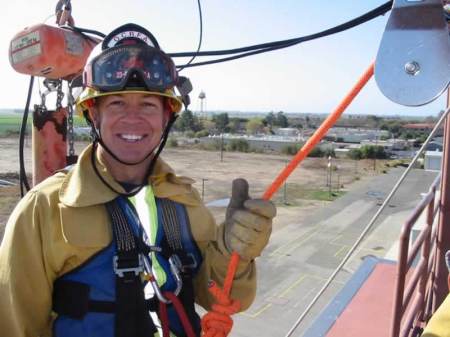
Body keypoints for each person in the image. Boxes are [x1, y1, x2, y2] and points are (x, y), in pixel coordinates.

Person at [0, 23, 276, 337]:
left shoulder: (183, 202)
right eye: (117, 103)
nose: (133, 118)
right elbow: (15, 326)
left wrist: (233, 253)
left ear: (166, 116)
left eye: (147, 104)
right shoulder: (44, 210)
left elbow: (222, 299)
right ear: (93, 114)